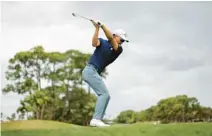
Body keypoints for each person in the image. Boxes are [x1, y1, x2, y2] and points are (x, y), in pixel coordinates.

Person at [82, 20, 129, 127]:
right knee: (104, 94)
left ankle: (98, 120)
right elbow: (94, 43)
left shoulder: (119, 49)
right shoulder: (102, 42)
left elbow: (111, 39)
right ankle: (96, 120)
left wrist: (102, 25)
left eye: (123, 41)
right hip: (89, 70)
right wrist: (97, 28)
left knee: (106, 96)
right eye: (121, 39)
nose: (122, 42)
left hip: (94, 72)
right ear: (115, 35)